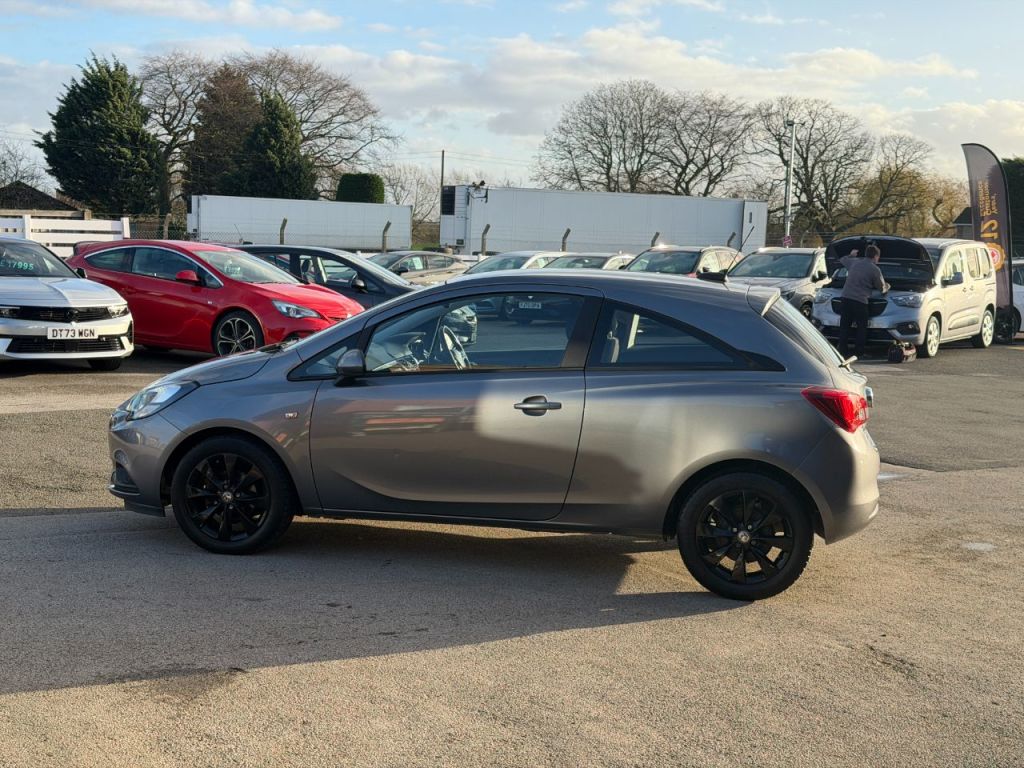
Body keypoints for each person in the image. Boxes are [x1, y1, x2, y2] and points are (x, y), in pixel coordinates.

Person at [837, 243, 888, 359]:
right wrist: (888, 286)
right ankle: (858, 352)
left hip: (845, 298)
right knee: (861, 327)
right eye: (878, 257)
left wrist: (851, 255)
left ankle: (842, 351)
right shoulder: (875, 269)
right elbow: (882, 289)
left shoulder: (854, 262)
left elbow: (842, 259)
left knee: (844, 326)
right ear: (875, 256)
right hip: (860, 301)